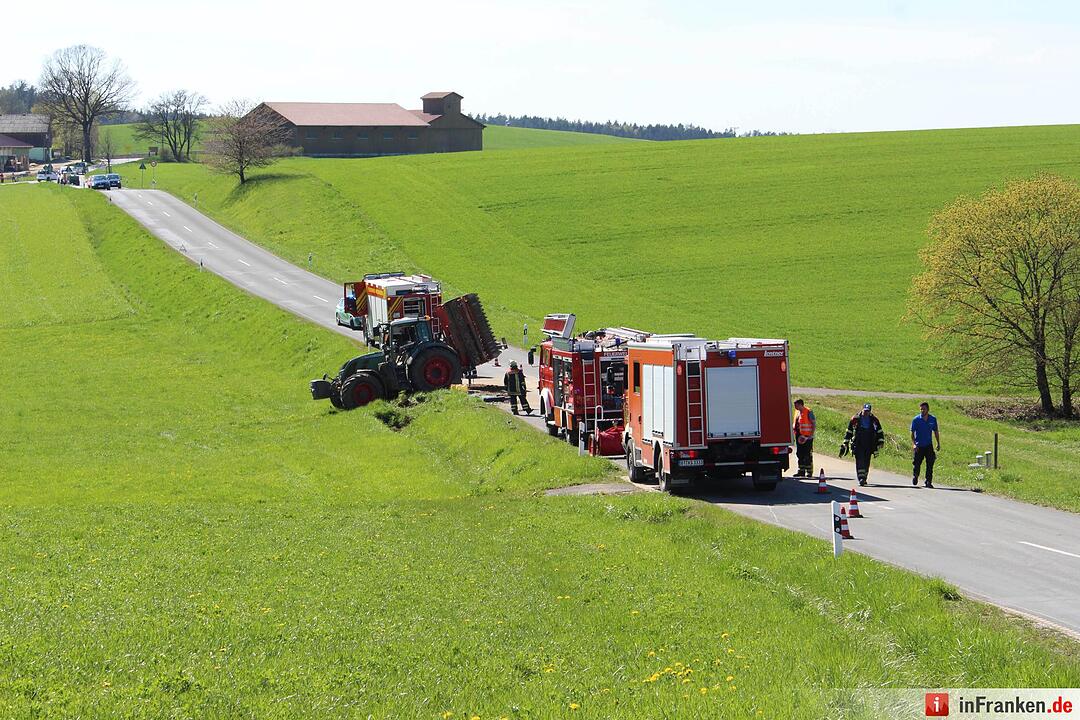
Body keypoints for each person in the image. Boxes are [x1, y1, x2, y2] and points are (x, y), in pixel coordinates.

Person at [841, 403, 885, 486]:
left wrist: (881, 441)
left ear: (870, 411)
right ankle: (861, 478)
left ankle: (864, 477)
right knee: (860, 460)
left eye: (868, 411)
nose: (866, 413)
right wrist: (845, 442)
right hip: (858, 443)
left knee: (866, 461)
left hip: (869, 443)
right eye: (865, 411)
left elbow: (879, 431)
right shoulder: (855, 419)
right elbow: (849, 431)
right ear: (862, 409)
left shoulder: (874, 420)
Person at [910, 401, 941, 488]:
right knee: (917, 463)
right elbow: (912, 433)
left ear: (928, 409)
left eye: (924, 409)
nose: (922, 411)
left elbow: (935, 431)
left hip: (928, 445)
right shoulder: (916, 420)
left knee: (930, 464)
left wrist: (938, 443)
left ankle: (928, 481)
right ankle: (915, 476)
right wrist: (914, 444)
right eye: (921, 409)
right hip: (919, 445)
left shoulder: (933, 419)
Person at [791, 399, 816, 477]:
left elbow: (813, 424)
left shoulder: (808, 411)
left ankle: (809, 471)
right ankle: (801, 471)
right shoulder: (797, 412)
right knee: (799, 453)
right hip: (799, 436)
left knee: (807, 454)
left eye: (796, 405)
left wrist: (811, 435)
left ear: (800, 404)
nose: (795, 407)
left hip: (807, 437)